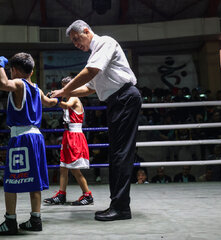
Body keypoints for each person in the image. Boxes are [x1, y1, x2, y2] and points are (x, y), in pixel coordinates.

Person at [50, 20, 142, 221]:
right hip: (117, 101)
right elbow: (90, 88)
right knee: (116, 153)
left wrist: (65, 90)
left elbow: (90, 72)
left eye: (77, 38)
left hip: (125, 97)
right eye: (73, 42)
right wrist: (62, 93)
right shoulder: (95, 56)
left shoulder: (105, 43)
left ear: (86, 31)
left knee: (121, 153)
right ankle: (117, 204)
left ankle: (121, 208)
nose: (76, 44)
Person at [0, 53, 58, 235]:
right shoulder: (36, 88)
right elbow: (50, 103)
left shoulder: (19, 84)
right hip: (36, 138)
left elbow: (2, 84)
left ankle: (10, 221)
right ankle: (36, 219)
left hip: (21, 138)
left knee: (10, 181)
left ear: (15, 71)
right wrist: (60, 97)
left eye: (11, 70)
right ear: (32, 71)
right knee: (33, 181)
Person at [44, 76, 93, 206]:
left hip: (75, 136)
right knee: (63, 167)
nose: (65, 88)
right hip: (67, 135)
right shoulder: (67, 97)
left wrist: (54, 100)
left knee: (74, 169)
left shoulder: (74, 98)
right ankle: (61, 194)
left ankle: (87, 195)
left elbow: (66, 105)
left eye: (67, 86)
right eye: (63, 86)